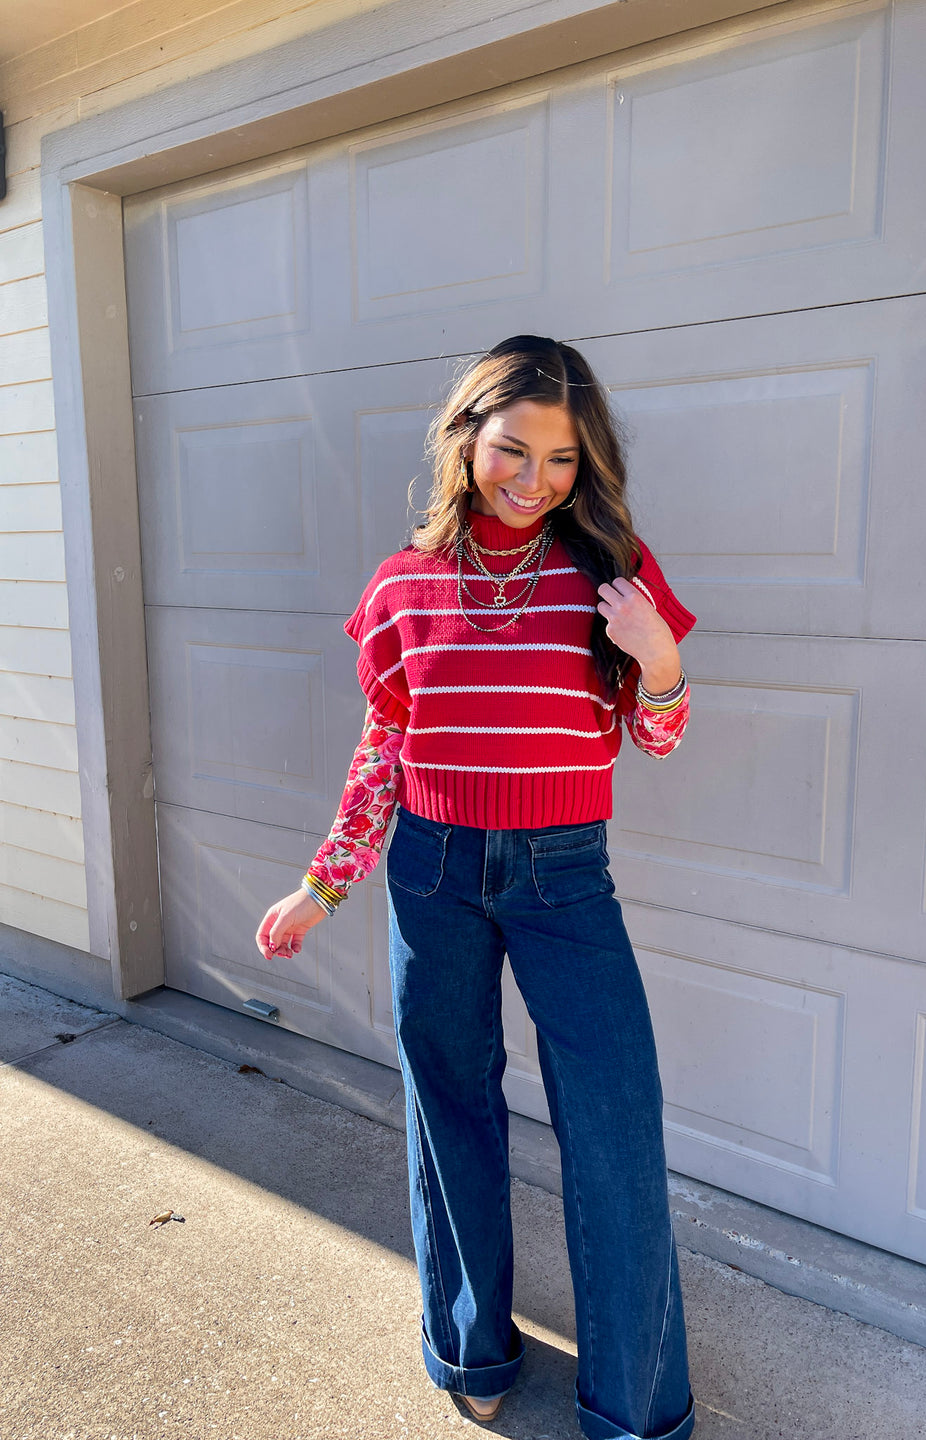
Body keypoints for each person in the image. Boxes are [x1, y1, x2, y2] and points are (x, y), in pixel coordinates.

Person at [255, 335, 697, 1440]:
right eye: (513, 449)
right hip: (434, 873)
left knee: (615, 1126)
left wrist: (660, 662)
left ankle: (635, 1408)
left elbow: (658, 740)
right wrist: (326, 883)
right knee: (450, 1109)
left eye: (561, 458)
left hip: (566, 877)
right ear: (467, 439)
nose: (534, 478)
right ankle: (469, 1343)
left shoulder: (612, 571)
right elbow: (382, 750)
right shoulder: (404, 583)